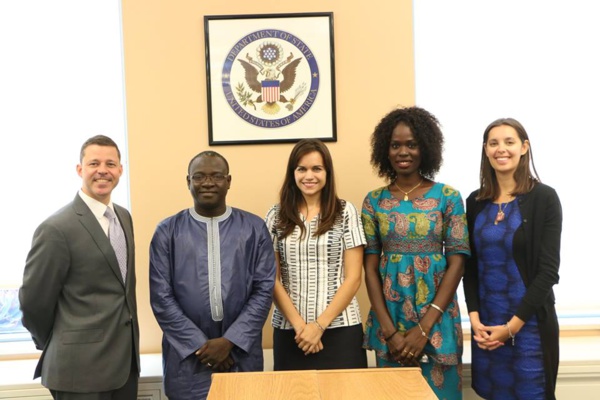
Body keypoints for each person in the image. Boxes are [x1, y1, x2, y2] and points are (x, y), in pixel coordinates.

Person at [361, 106, 470, 399]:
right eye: (395, 145)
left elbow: (457, 263)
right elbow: (370, 268)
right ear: (385, 150)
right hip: (390, 319)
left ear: (426, 147)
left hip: (437, 319)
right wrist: (390, 332)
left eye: (411, 144)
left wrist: (424, 328)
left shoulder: (448, 197)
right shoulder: (374, 201)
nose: (403, 152)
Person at [19, 135, 139, 399]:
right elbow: (33, 302)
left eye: (110, 163)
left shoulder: (123, 217)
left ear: (120, 169)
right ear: (80, 169)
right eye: (94, 163)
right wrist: (55, 341)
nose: (102, 170)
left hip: (124, 367)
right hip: (78, 372)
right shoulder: (56, 228)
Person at [149, 151, 276, 400]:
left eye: (216, 176)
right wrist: (202, 347)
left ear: (228, 181)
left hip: (240, 354)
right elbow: (161, 298)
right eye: (199, 177)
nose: (207, 183)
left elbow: (263, 290)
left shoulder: (253, 228)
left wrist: (229, 342)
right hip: (187, 358)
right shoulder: (167, 231)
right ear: (188, 181)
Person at [463, 118, 562, 400]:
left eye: (509, 142)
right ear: (485, 150)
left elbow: (548, 272)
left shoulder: (544, 198)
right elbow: (469, 267)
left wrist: (511, 328)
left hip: (528, 328)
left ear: (524, 147)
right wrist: (474, 320)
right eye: (493, 143)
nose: (501, 149)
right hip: (486, 329)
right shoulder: (474, 202)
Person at [265, 139, 368, 370]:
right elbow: (271, 278)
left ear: (327, 173)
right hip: (291, 332)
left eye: (316, 169)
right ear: (292, 173)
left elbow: (353, 278)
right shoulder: (276, 215)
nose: (308, 176)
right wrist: (301, 327)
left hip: (341, 329)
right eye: (301, 169)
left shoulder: (346, 212)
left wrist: (319, 326)